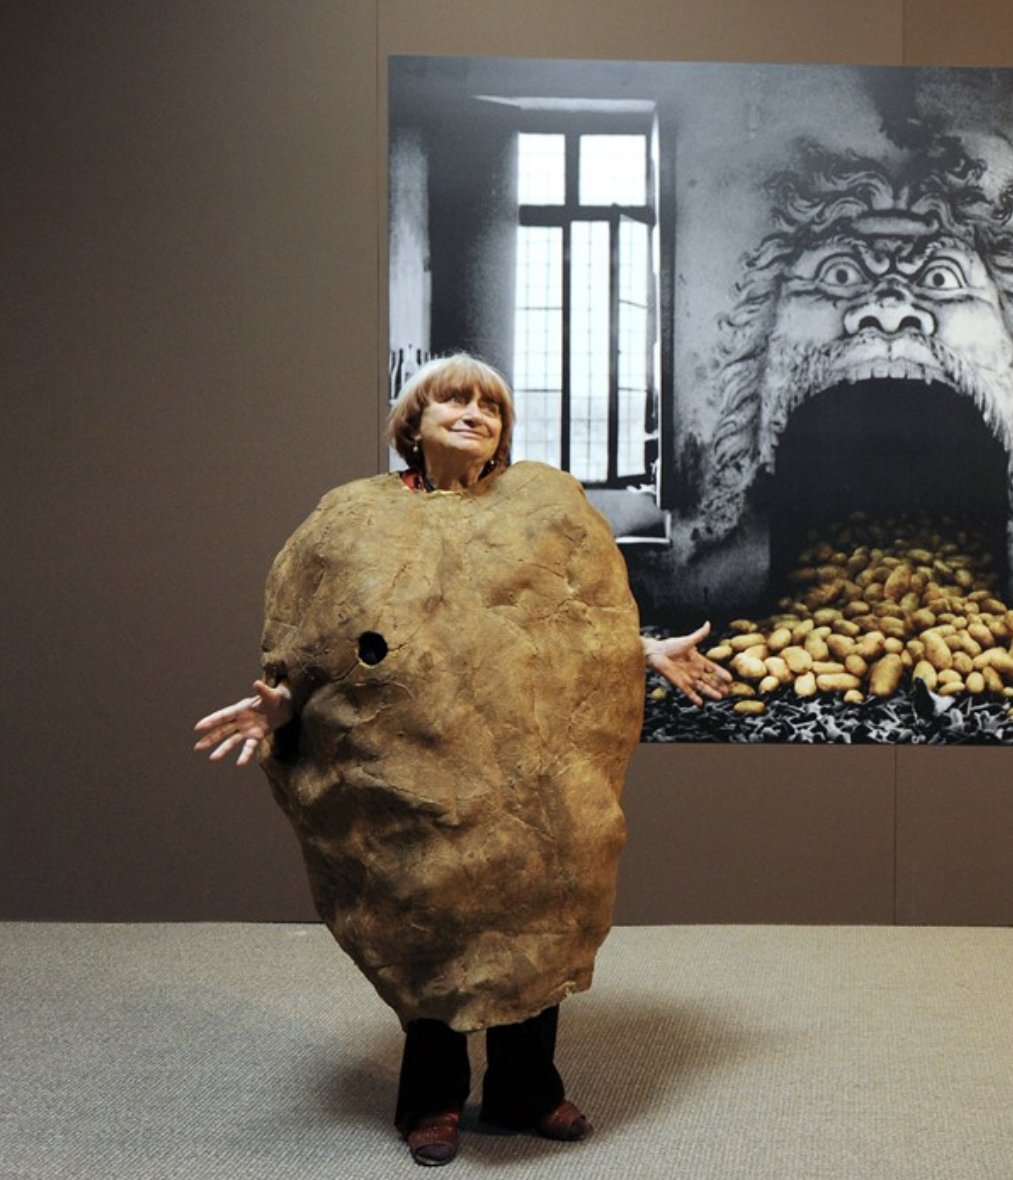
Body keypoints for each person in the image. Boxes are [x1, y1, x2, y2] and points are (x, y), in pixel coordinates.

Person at [194, 353, 728, 1167]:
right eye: (455, 398)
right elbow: (315, 642)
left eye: (492, 405)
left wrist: (646, 653)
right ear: (414, 420)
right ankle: (433, 1099)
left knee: (539, 899)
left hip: (533, 768)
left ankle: (525, 1089)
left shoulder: (544, 507)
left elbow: (575, 621)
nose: (475, 412)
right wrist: (278, 701)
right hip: (405, 766)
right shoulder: (351, 519)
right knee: (424, 911)